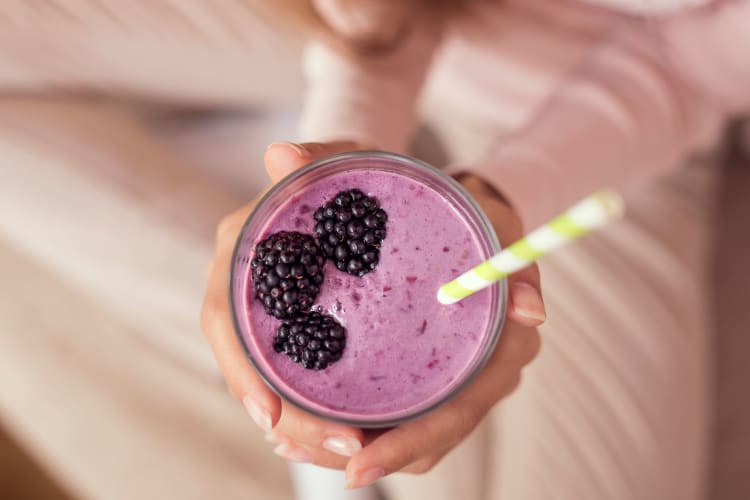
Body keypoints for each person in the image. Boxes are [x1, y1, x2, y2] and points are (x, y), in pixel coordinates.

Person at [200, 1, 750, 499]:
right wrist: (339, 153)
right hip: (439, 40)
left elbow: (694, 70)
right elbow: (381, 33)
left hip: (633, 119)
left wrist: (505, 195)